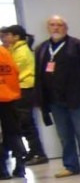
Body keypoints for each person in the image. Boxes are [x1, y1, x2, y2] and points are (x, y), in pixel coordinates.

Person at [34, 15, 80, 178]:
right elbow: (38, 75)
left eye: (59, 25)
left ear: (66, 27)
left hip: (77, 98)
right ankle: (70, 166)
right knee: (64, 135)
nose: (55, 28)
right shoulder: (42, 49)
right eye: (52, 25)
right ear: (47, 28)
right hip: (54, 100)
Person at [1, 25, 46, 165]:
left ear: (16, 36)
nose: (4, 38)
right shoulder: (14, 50)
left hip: (24, 88)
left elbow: (13, 72)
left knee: (26, 122)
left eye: (7, 35)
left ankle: (38, 153)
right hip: (21, 89)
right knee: (23, 123)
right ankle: (32, 152)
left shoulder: (21, 52)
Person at [0, 44, 28, 179]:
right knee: (13, 132)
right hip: (10, 98)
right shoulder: (5, 52)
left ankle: (2, 170)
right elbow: (15, 71)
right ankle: (20, 165)